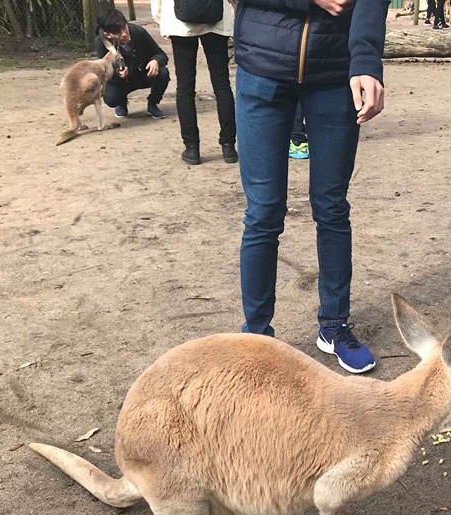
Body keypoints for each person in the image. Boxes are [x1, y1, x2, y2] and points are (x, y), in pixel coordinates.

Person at [233, 0, 389, 374]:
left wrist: (366, 59)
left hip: (335, 72)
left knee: (332, 206)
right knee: (263, 212)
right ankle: (256, 336)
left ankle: (334, 324)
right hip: (262, 67)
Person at [151, 0, 238, 165]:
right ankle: (228, 146)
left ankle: (192, 148)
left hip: (179, 22)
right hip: (216, 19)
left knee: (185, 87)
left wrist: (162, 19)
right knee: (221, 84)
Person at [96, 9, 170, 120]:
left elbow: (160, 53)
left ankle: (153, 103)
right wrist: (118, 74)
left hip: (142, 73)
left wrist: (156, 61)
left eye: (124, 27)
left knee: (163, 73)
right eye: (118, 32)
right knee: (111, 98)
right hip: (122, 81)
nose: (124, 34)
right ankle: (121, 103)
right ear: (108, 35)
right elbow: (104, 70)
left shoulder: (138, 32)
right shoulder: (101, 43)